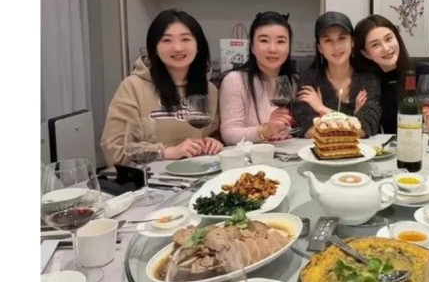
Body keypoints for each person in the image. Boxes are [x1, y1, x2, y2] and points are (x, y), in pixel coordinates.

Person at [100, 9, 222, 166]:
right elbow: (114, 151)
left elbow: (214, 133)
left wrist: (212, 142)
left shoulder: (209, 89)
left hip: (200, 175)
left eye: (185, 39)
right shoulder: (133, 87)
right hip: (150, 178)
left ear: (198, 45)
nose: (177, 48)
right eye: (167, 40)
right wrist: (167, 152)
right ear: (154, 48)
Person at [293, 11, 381, 137]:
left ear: (352, 41)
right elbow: (306, 128)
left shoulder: (368, 79)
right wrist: (353, 118)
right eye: (328, 40)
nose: (336, 47)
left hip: (360, 148)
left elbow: (366, 127)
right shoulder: (309, 79)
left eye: (342, 38)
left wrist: (322, 109)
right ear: (319, 47)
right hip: (318, 149)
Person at [354, 14, 429, 133]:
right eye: (375, 45)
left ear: (397, 38)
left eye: (388, 39)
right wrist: (357, 115)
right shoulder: (367, 81)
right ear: (366, 53)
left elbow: (425, 123)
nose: (386, 48)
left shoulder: (424, 73)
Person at [219, 11, 297, 144]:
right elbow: (229, 134)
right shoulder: (235, 80)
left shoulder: (293, 82)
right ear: (252, 47)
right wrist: (265, 130)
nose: (272, 49)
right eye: (264, 41)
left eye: (280, 41)